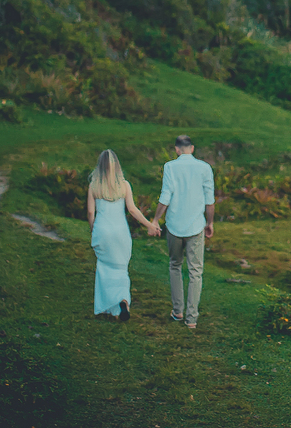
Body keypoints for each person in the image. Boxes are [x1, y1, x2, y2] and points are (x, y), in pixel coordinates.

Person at [86, 149, 160, 322]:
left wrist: (93, 228)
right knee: (121, 270)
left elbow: (90, 212)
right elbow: (132, 209)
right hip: (121, 233)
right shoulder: (124, 185)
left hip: (102, 231)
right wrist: (150, 224)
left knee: (105, 269)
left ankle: (109, 306)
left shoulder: (94, 185)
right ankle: (123, 302)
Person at [152, 135, 215, 329]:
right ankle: (192, 319)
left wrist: (155, 219)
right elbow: (209, 199)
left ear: (177, 149)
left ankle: (178, 311)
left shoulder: (170, 167)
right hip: (196, 226)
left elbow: (166, 195)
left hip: (174, 225)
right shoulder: (205, 168)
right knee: (196, 272)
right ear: (192, 148)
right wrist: (210, 222)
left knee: (175, 265)